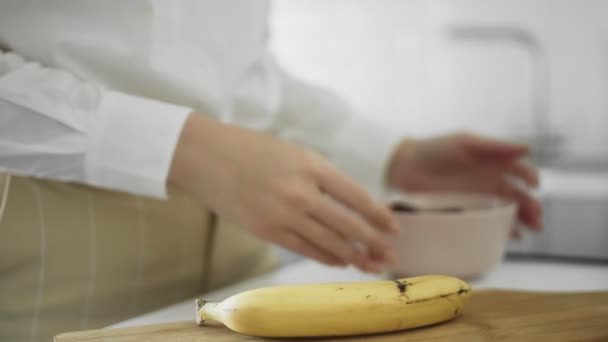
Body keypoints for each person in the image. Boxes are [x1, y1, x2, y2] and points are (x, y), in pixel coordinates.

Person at [0, 1, 542, 341]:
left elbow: (242, 77)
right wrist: (184, 147)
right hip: (62, 239)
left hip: (243, 243)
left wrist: (390, 155)